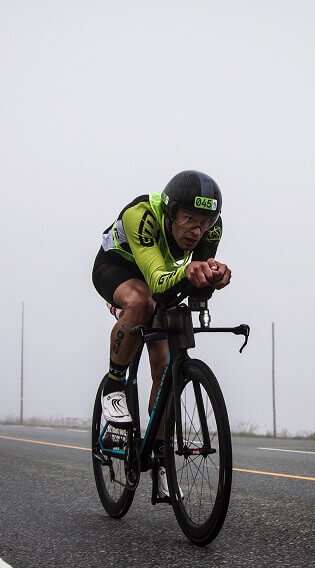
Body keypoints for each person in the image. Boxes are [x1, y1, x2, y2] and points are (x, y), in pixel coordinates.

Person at [91, 170, 231, 499]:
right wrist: (188, 272)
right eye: (189, 219)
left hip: (164, 275)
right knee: (142, 302)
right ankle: (113, 386)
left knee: (165, 365)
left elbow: (194, 288)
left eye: (205, 222)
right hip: (118, 269)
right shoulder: (142, 215)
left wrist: (212, 279)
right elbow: (156, 282)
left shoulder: (212, 228)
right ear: (170, 213)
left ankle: (161, 453)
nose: (198, 230)